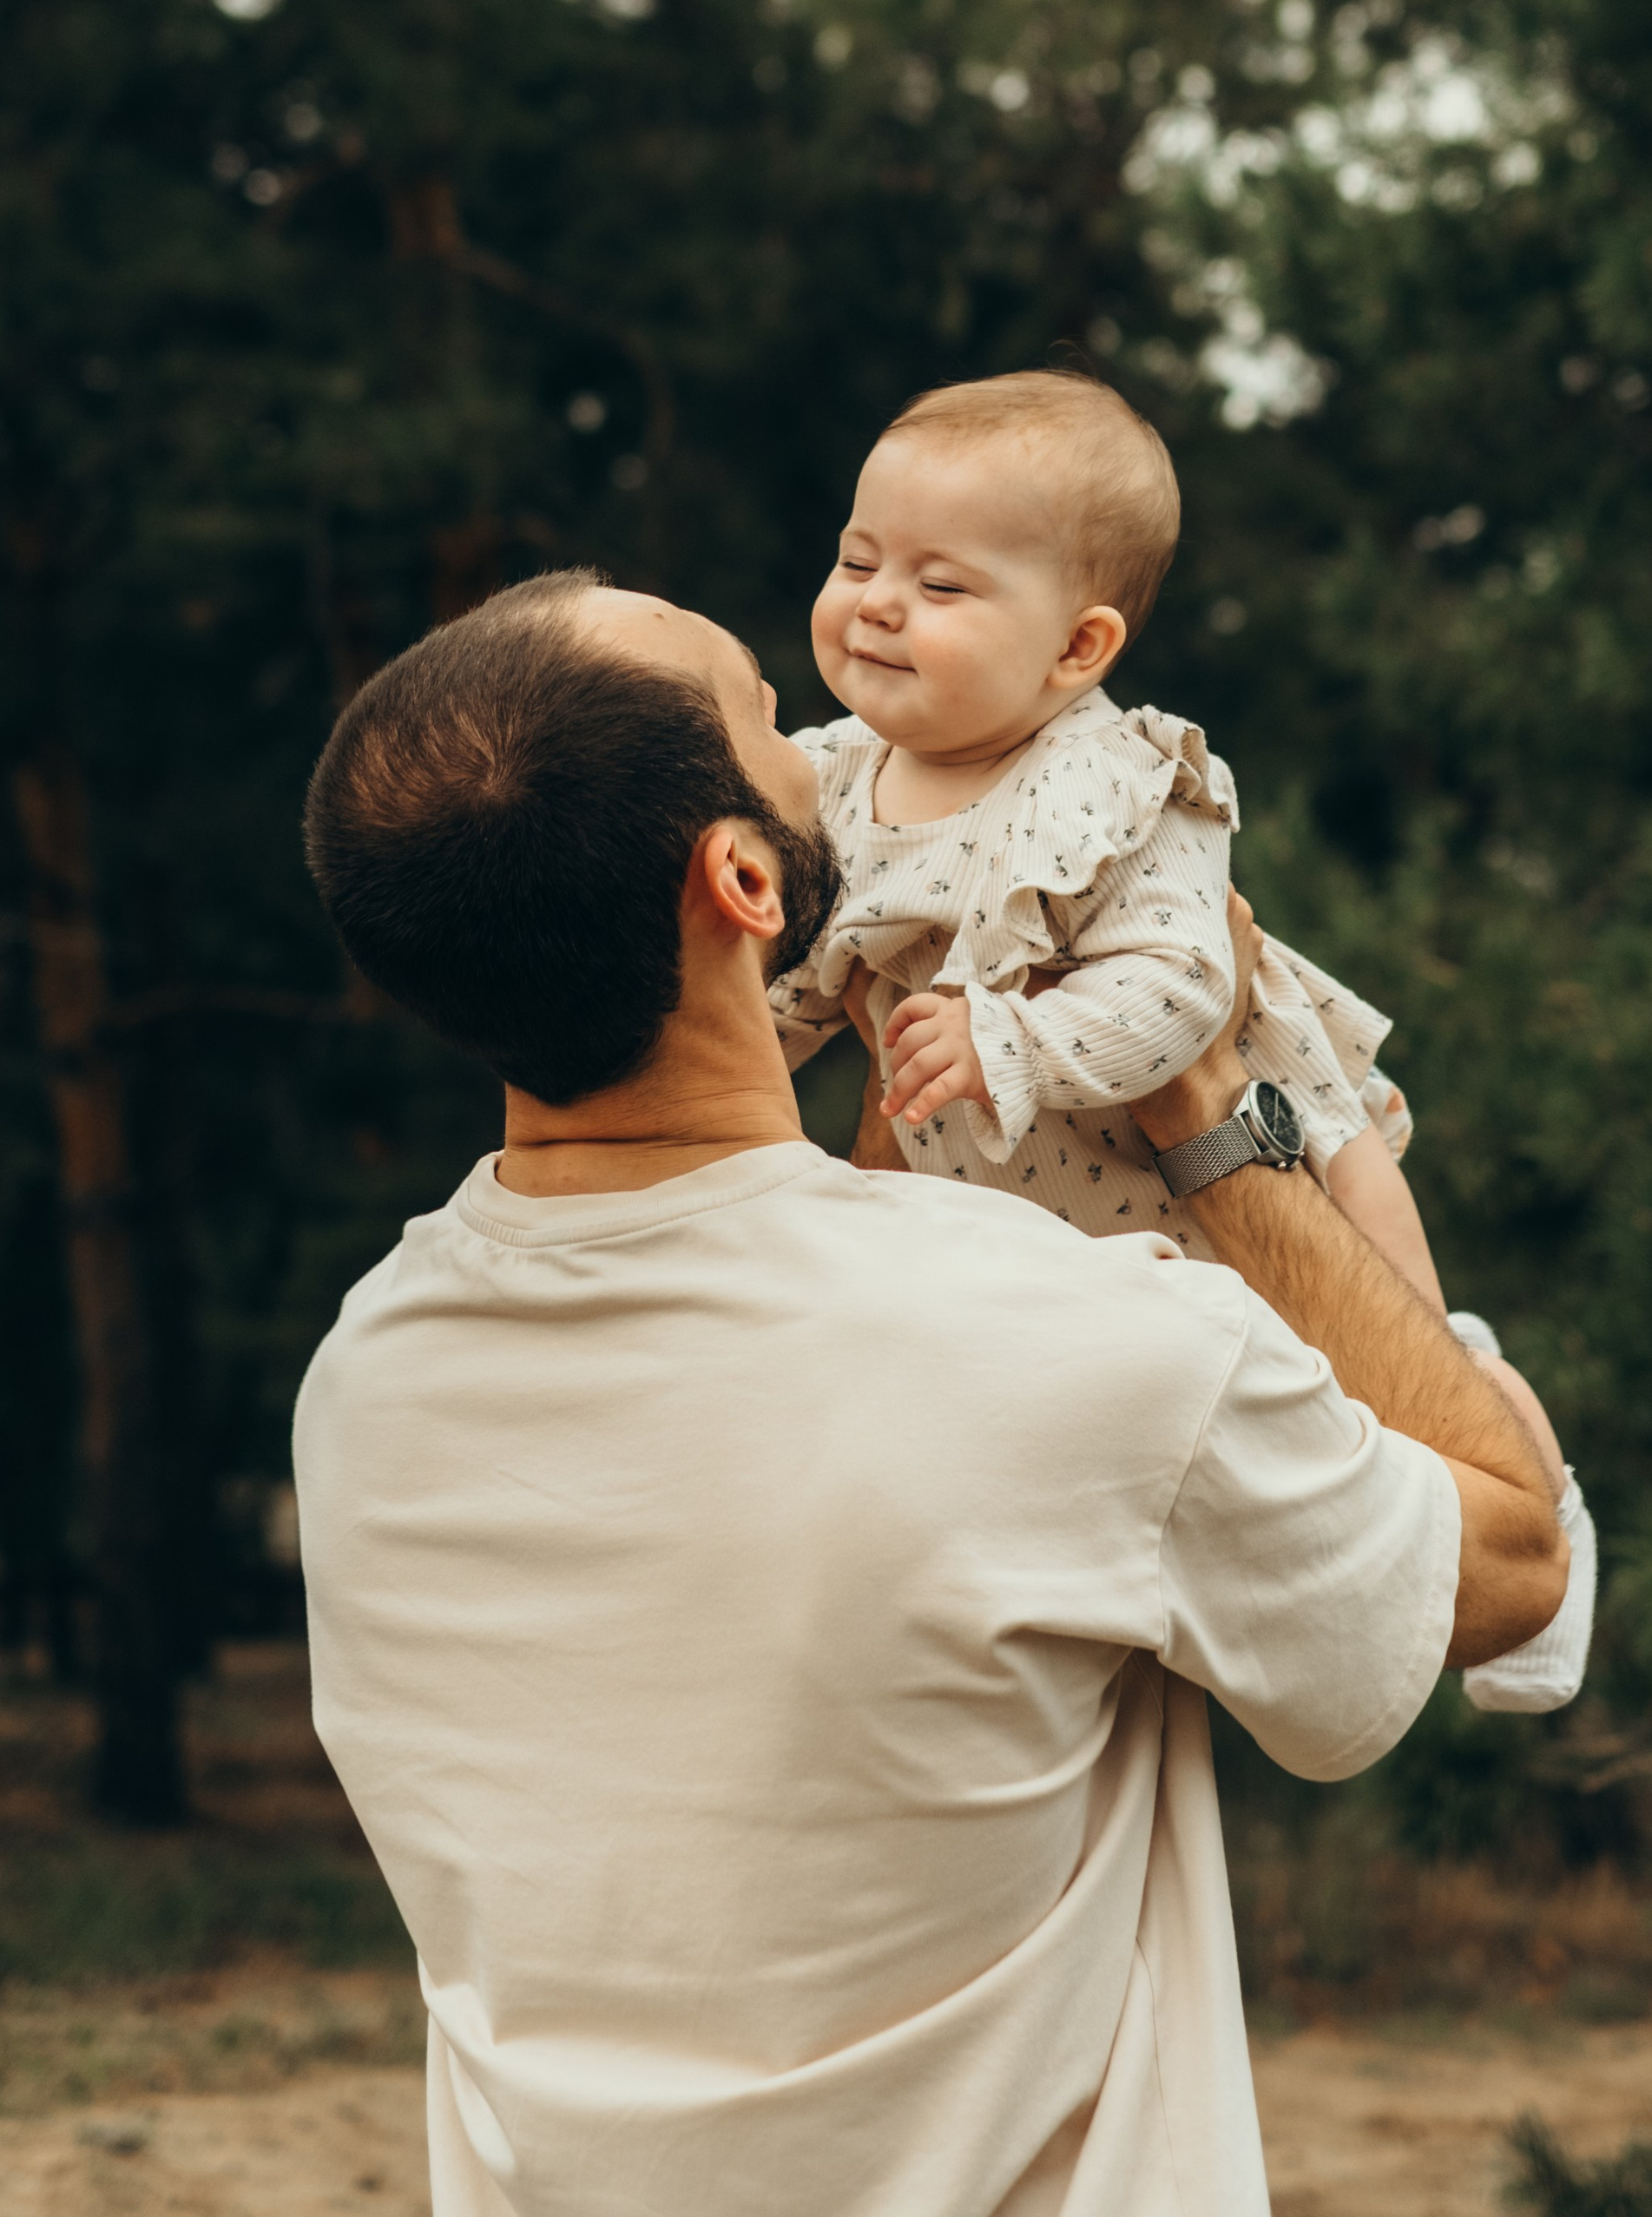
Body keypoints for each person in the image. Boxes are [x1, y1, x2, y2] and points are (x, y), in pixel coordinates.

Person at [293, 567, 1567, 2217]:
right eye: (771, 718)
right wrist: (1209, 1094)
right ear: (745, 880)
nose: (835, 741)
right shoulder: (1078, 1341)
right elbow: (1515, 1556)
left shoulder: (370, 1377)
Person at [769, 369, 1593, 1715]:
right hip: (1046, 1201)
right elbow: (802, 978)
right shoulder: (832, 776)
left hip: (1238, 1140)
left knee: (1403, 1344)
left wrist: (1017, 1041)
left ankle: (1532, 1503)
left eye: (942, 585)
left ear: (1079, 647)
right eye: (859, 557)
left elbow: (1180, 988)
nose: (876, 601)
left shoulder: (1118, 778)